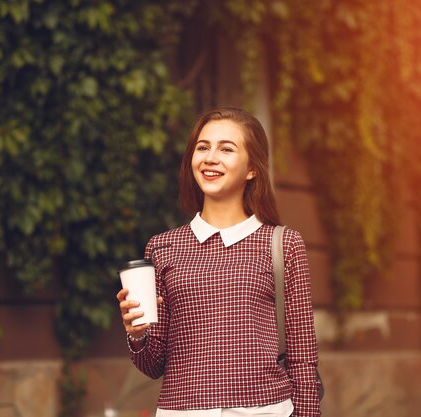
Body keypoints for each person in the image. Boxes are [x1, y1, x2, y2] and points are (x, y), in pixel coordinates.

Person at [116, 107, 321, 417]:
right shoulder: (162, 247)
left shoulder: (283, 244)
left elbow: (303, 359)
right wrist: (138, 333)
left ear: (252, 168)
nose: (210, 158)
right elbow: (153, 365)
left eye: (226, 149)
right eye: (203, 147)